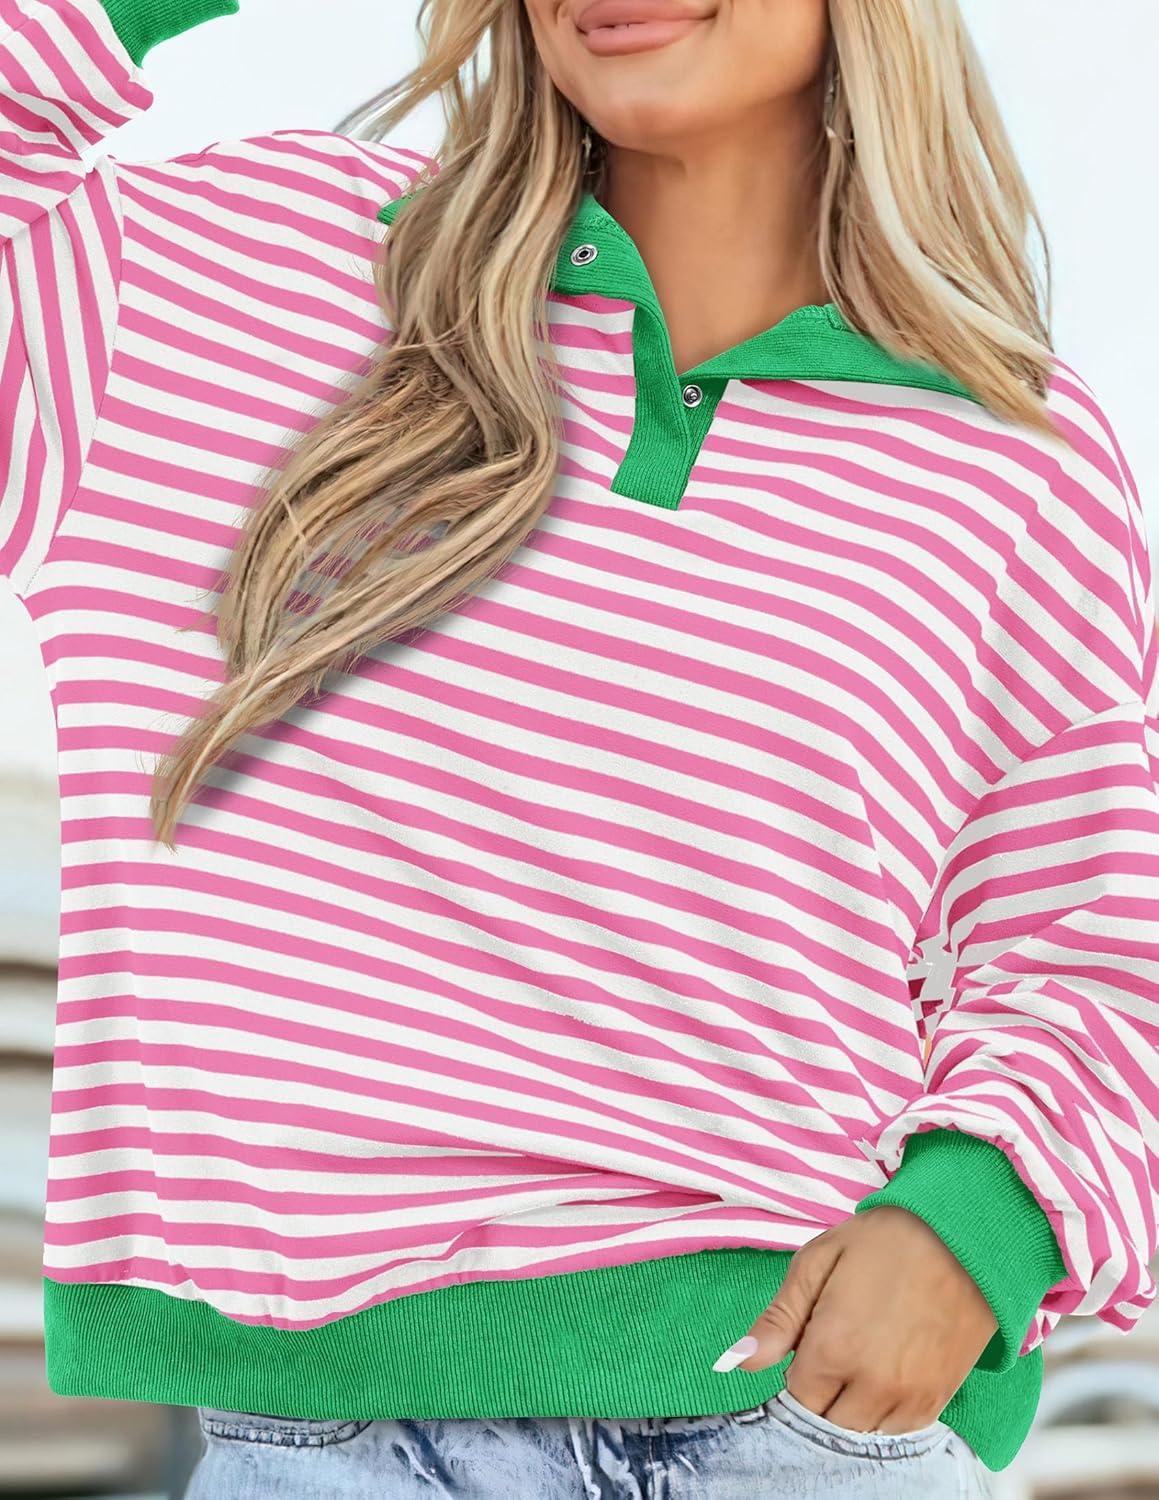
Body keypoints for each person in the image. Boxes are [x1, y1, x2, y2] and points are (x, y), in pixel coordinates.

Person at [1, 0, 1155, 1495]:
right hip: (322, 1443)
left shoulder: (1016, 456)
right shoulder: (232, 277)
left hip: (806, 1428)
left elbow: (1091, 950)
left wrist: (973, 1226)